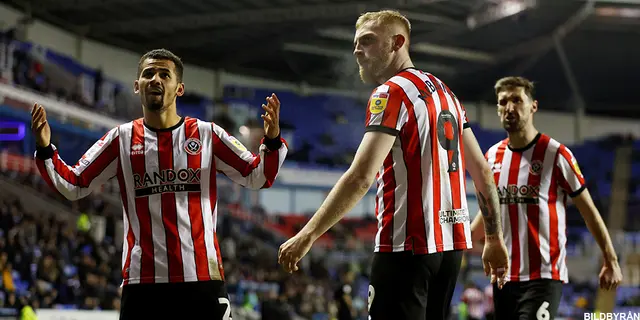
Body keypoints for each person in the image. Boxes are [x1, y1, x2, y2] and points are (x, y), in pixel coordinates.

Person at [277, 10, 509, 320]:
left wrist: (307, 235)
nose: (357, 50)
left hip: (406, 247)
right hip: (451, 249)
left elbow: (361, 176)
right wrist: (494, 238)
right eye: (356, 43)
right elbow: (482, 172)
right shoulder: (446, 94)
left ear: (397, 43)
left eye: (368, 41)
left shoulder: (390, 93)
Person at [30, 48, 289, 320]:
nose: (155, 79)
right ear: (136, 86)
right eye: (148, 74)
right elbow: (75, 184)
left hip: (201, 280)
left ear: (179, 88)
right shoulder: (120, 140)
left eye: (165, 74)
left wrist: (271, 141)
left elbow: (257, 175)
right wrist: (46, 148)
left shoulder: (207, 135)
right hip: (144, 287)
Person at [469, 76, 623, 320]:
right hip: (503, 278)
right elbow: (491, 209)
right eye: (503, 102)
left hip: (543, 277)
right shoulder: (492, 157)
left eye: (517, 100)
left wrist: (610, 259)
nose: (509, 107)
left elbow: (588, 210)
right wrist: (462, 240)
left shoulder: (556, 154)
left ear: (533, 106)